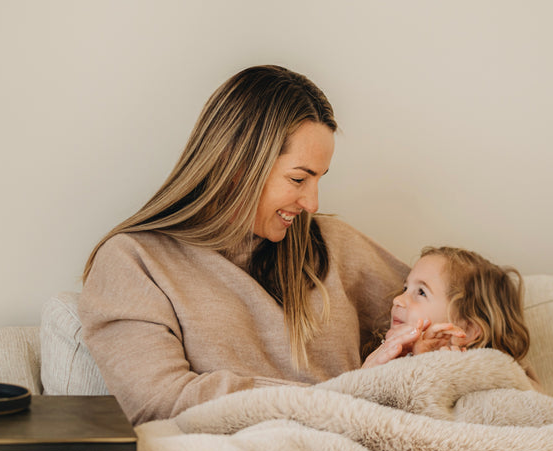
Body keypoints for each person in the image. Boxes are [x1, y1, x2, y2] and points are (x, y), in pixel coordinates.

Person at [78, 65, 409, 424]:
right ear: (235, 164)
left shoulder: (332, 244)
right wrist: (340, 400)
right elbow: (161, 403)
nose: (312, 203)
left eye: (318, 179)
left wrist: (431, 341)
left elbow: (446, 302)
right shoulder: (135, 262)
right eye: (298, 178)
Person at [362, 246, 539, 385]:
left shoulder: (489, 372)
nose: (397, 300)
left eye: (421, 293)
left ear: (468, 329)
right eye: (405, 288)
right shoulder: (381, 357)